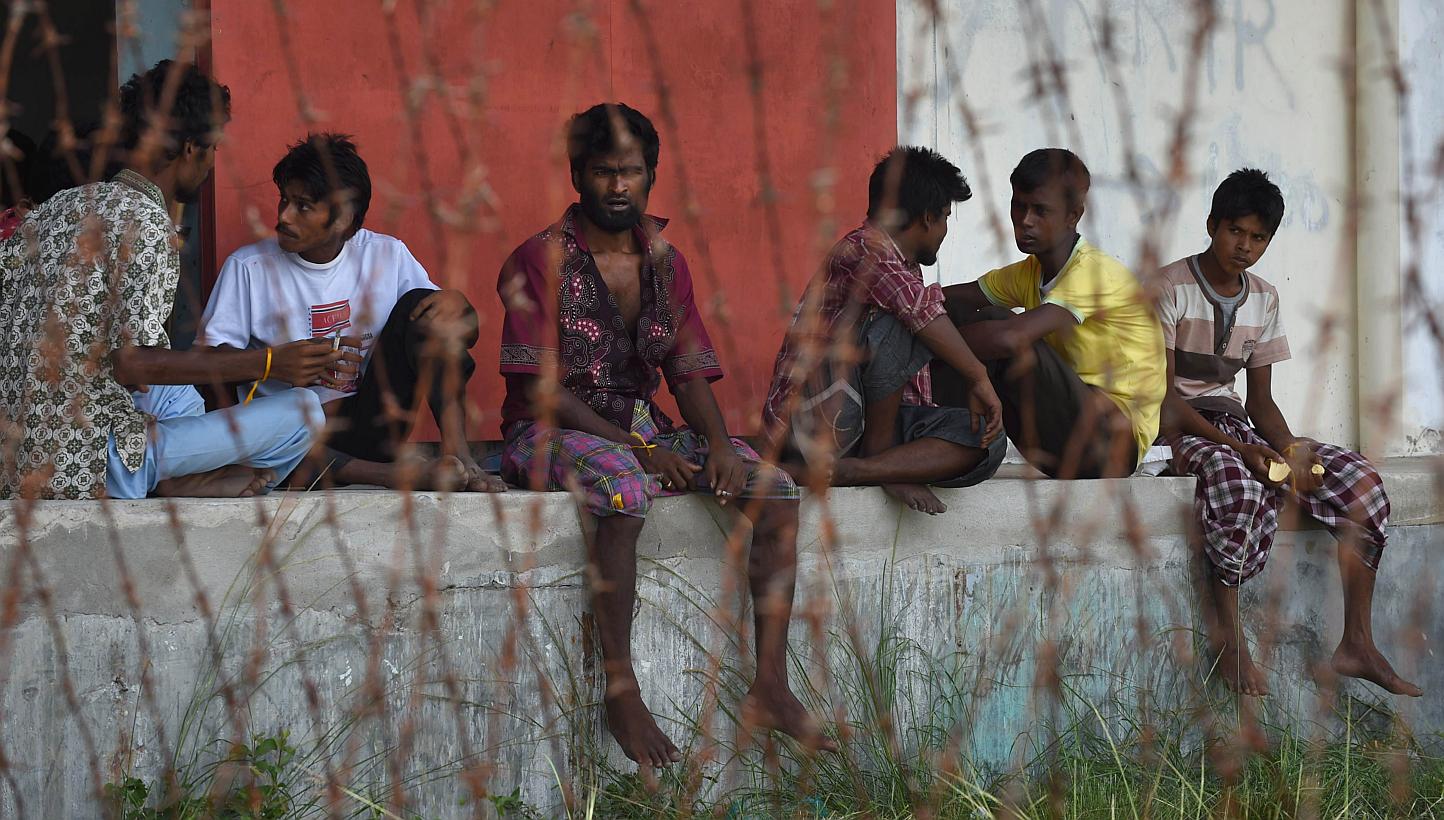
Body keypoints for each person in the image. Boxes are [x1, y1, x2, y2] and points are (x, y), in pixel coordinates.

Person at [497, 102, 833, 766]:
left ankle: (770, 684)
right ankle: (621, 692)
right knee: (626, 491)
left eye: (631, 172)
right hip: (545, 429)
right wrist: (641, 452)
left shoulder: (664, 260)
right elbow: (539, 388)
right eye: (603, 172)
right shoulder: (537, 259)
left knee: (777, 490)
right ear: (577, 175)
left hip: (641, 426)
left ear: (651, 174)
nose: (618, 187)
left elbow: (687, 369)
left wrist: (713, 446)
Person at [0, 60, 342, 500]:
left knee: (174, 400)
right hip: (84, 465)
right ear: (190, 148)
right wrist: (270, 363)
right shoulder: (147, 222)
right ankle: (155, 478)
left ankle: (174, 476)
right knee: (304, 411)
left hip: (17, 455)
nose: (211, 163)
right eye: (213, 148)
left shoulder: (59, 207)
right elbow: (133, 364)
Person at [1157, 168, 1421, 697]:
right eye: (1236, 231)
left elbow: (1260, 403)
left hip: (1235, 421)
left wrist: (1290, 448)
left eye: (1258, 238)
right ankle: (1229, 641)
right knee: (1242, 486)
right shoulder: (1168, 288)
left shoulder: (1265, 298)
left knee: (1359, 481)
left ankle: (1358, 642)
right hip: (1179, 426)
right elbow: (1162, 403)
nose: (1245, 247)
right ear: (1212, 224)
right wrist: (1243, 449)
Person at [197, 133, 503, 492]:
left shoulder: (387, 256)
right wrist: (272, 362)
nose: (283, 216)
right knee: (275, 447)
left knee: (422, 304)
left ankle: (459, 453)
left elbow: (454, 333)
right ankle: (398, 475)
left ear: (343, 218)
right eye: (284, 200)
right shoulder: (249, 267)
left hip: (371, 424)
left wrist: (462, 309)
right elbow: (208, 364)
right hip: (291, 435)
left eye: (303, 206)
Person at [761, 145, 1004, 515]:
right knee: (901, 322)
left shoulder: (907, 270)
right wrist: (978, 377)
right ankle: (880, 463)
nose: (944, 231)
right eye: (944, 219)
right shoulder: (864, 250)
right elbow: (918, 311)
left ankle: (867, 470)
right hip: (813, 426)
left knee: (987, 439)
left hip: (861, 436)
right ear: (926, 218)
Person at [937, 148, 1166, 479]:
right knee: (953, 314)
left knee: (1002, 329)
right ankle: (937, 436)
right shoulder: (1029, 272)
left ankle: (936, 436)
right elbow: (946, 300)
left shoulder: (1094, 273)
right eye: (1019, 206)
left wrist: (930, 349)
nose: (1025, 220)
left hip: (1111, 446)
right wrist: (901, 304)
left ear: (1073, 215)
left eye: (1040, 211)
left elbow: (1010, 337)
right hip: (1056, 444)